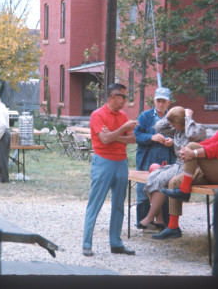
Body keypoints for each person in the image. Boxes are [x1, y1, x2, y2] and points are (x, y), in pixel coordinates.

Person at [82, 83, 138, 257]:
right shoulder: (97, 115)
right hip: (103, 161)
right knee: (95, 203)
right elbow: (105, 140)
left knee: (119, 205)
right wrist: (121, 131)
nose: (125, 101)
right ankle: (87, 244)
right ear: (113, 97)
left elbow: (133, 139)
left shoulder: (123, 115)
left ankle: (116, 243)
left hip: (121, 162)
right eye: (123, 97)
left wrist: (114, 135)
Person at [137, 107, 206, 232]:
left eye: (174, 123)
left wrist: (188, 117)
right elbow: (158, 127)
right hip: (178, 165)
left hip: (191, 168)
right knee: (151, 178)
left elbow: (191, 135)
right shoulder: (177, 129)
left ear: (182, 122)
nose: (172, 126)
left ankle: (148, 218)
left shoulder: (197, 128)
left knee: (161, 180)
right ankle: (159, 220)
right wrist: (169, 116)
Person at [157, 128, 218, 239]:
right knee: (175, 182)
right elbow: (210, 142)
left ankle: (184, 190)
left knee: (192, 147)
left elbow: (216, 148)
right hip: (212, 171)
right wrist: (186, 150)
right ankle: (173, 227)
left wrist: (193, 151)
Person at [134, 87, 175, 229]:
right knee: (144, 187)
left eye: (163, 101)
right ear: (154, 101)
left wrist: (171, 142)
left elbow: (181, 137)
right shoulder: (145, 116)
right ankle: (143, 221)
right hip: (147, 156)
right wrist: (152, 137)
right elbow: (136, 135)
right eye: (158, 101)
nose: (160, 104)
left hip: (166, 156)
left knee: (164, 186)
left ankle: (162, 222)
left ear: (168, 102)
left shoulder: (173, 118)